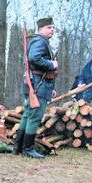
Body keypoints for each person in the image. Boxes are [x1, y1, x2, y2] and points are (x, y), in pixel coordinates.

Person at [12, 17, 58, 159]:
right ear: (41, 29)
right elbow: (34, 59)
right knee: (34, 117)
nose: (52, 30)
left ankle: (18, 146)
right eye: (49, 27)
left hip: (37, 84)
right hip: (38, 86)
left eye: (53, 27)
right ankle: (28, 148)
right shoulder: (40, 41)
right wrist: (52, 65)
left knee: (27, 115)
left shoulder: (40, 41)